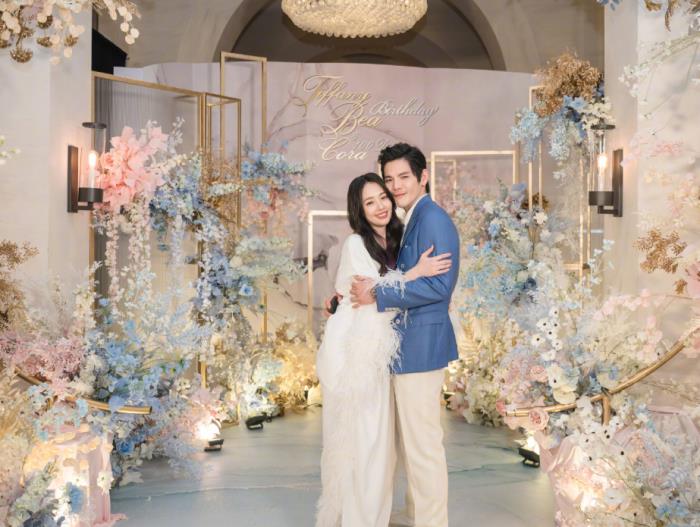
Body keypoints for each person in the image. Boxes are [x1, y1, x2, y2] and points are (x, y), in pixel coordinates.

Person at [315, 172, 452, 527]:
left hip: (382, 353)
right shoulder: (355, 243)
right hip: (356, 354)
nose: (380, 206)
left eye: (383, 197)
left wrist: (413, 273)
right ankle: (357, 518)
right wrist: (416, 273)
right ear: (358, 210)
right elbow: (370, 296)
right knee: (363, 441)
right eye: (369, 202)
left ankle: (375, 515)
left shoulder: (399, 235)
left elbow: (380, 292)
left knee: (382, 446)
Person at [350, 143, 461, 527]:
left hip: (422, 346)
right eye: (390, 178)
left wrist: (378, 295)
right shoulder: (411, 218)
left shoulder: (433, 220)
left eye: (404, 177)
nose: (396, 186)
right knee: (412, 445)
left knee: (423, 447)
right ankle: (418, 516)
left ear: (423, 177)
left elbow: (439, 287)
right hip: (408, 347)